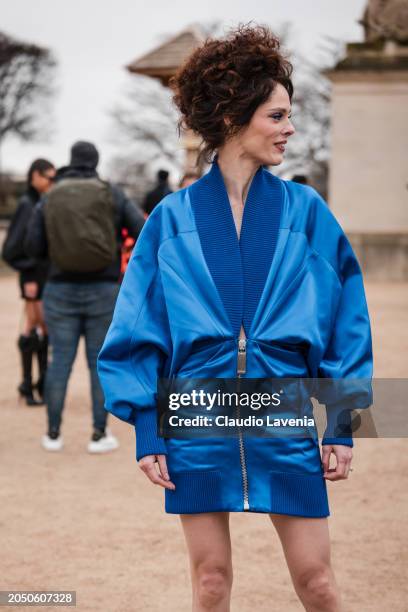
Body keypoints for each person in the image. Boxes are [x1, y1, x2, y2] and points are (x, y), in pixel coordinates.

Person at [97, 25, 373, 611]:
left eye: (288, 115)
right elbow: (137, 331)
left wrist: (342, 422)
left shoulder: (308, 213)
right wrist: (149, 428)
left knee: (318, 583)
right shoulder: (170, 221)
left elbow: (345, 318)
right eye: (276, 116)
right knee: (212, 582)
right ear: (232, 118)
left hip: (287, 416)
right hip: (195, 420)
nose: (290, 128)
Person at [25, 141, 145, 454]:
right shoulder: (111, 193)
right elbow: (142, 229)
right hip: (104, 289)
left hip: (60, 289)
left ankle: (53, 433)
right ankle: (98, 434)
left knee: (59, 362)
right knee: (97, 364)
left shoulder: (50, 197)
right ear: (95, 162)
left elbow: (32, 245)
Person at [2, 159, 56, 406]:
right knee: (34, 328)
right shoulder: (28, 205)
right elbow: (12, 250)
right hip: (34, 279)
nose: (51, 182)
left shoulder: (40, 202)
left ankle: (38, 383)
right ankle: (29, 383)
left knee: (40, 329)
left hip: (40, 277)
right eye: (48, 177)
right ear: (35, 176)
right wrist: (29, 275)